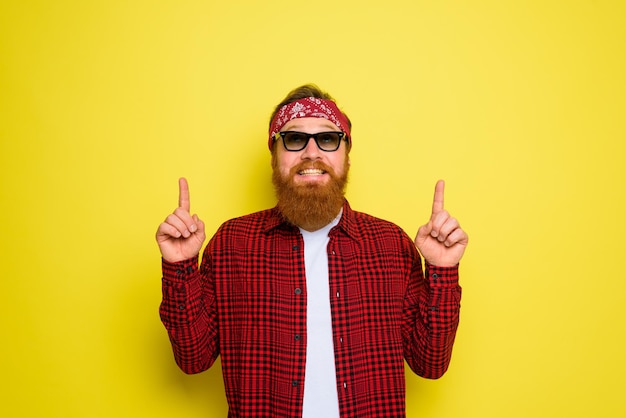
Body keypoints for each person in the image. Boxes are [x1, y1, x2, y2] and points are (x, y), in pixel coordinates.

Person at [156, 84, 468, 417]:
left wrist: (441, 271)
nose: (311, 153)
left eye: (328, 139)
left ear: (346, 153)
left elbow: (430, 364)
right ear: (275, 154)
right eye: (294, 139)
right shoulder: (234, 243)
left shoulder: (390, 245)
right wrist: (180, 266)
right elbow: (193, 360)